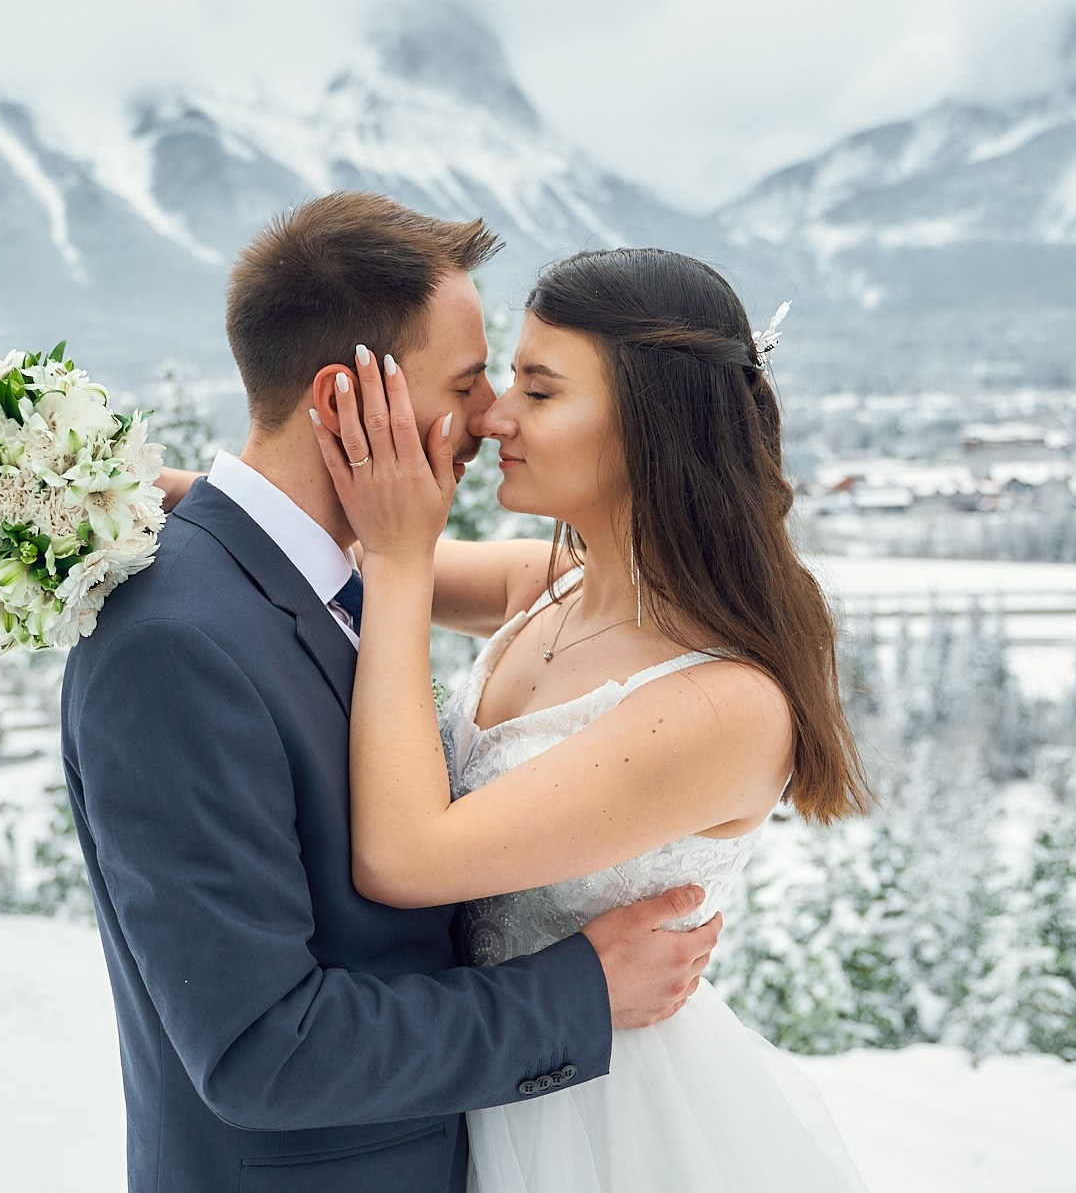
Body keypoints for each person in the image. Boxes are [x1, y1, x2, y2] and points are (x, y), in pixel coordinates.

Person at [60, 194, 719, 1193]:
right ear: (342, 400)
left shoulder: (316, 577)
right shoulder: (174, 644)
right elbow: (262, 1049)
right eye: (464, 382)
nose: (489, 414)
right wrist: (580, 989)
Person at [307, 245, 879, 1191]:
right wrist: (102, 494)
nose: (493, 417)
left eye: (538, 390)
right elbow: (324, 545)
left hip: (604, 1125)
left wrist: (407, 560)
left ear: (650, 423)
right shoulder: (556, 586)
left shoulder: (720, 705)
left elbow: (404, 859)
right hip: (483, 1069)